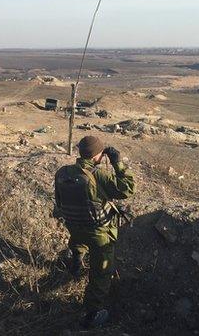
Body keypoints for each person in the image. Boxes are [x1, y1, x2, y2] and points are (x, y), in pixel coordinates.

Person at [54, 135, 135, 329]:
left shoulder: (62, 173)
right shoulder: (98, 175)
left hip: (74, 228)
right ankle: (93, 313)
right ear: (97, 155)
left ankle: (76, 260)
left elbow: (59, 201)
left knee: (79, 241)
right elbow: (128, 189)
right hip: (98, 233)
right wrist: (118, 163)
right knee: (100, 273)